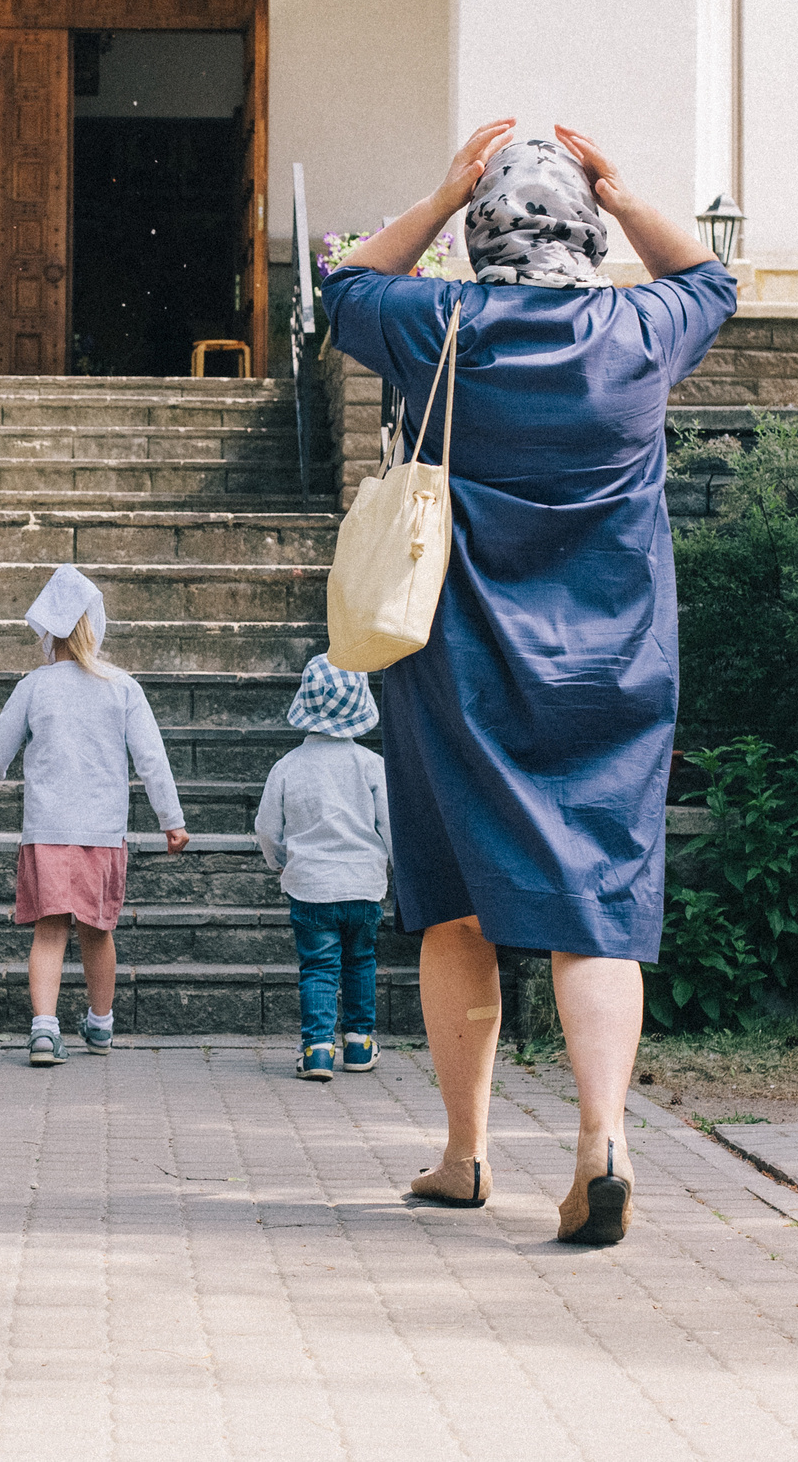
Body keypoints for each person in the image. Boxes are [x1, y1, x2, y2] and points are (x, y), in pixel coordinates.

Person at [321, 120, 736, 1248]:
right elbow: (713, 279)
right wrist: (624, 189)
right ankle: (603, 1141)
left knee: (455, 900)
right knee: (598, 903)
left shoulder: (435, 322)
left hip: (457, 659)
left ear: (482, 229)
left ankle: (464, 1155)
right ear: (588, 231)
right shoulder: (644, 329)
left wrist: (439, 191)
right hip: (616, 663)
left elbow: (342, 284)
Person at [0, 566, 189, 1065]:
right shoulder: (122, 687)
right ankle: (100, 1026)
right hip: (102, 834)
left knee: (49, 931)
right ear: (95, 627)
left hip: (47, 831)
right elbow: (152, 758)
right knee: (98, 931)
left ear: (47, 633)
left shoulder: (34, 687)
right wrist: (171, 819)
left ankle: (44, 1030)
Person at [254, 656, 391, 1083]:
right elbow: (390, 823)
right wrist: (390, 862)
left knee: (318, 967)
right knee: (361, 961)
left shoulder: (288, 767)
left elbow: (266, 828)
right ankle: (359, 1043)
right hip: (363, 884)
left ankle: (316, 1050)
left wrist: (279, 861)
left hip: (311, 885)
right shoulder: (370, 765)